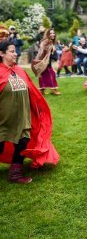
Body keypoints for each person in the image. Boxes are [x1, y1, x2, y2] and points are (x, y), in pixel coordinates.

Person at [0, 33, 60, 184]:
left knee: (22, 143)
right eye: (12, 51)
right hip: (3, 119)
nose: (16, 54)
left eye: (15, 51)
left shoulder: (19, 71)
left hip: (22, 118)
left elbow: (32, 92)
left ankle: (15, 174)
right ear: (1, 54)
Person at [31, 28, 61, 96]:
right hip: (44, 62)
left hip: (45, 61)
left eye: (53, 33)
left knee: (42, 75)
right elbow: (44, 53)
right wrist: (53, 56)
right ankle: (53, 90)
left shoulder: (48, 41)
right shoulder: (47, 42)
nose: (53, 34)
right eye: (51, 33)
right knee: (51, 74)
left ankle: (42, 91)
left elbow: (49, 53)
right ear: (47, 34)